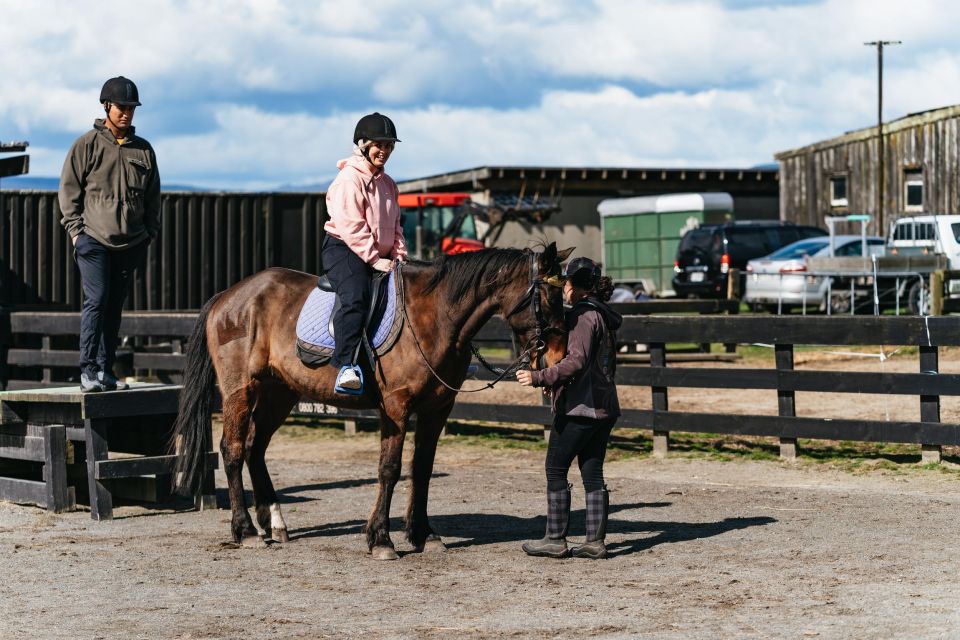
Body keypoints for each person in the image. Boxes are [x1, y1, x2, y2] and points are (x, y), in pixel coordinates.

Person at [59, 76, 160, 393]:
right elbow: (68, 191)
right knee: (97, 300)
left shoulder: (143, 150)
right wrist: (77, 233)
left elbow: (153, 197)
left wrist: (148, 233)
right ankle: (87, 370)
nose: (127, 113)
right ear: (107, 106)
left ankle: (104, 370)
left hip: (131, 242)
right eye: (121, 107)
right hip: (94, 240)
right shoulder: (86, 145)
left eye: (131, 108)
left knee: (114, 306)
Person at [517, 257, 622, 559]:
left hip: (580, 409)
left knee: (555, 468)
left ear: (574, 285)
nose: (563, 288)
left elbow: (576, 361)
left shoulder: (582, 316)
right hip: (604, 407)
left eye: (565, 282)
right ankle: (595, 542)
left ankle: (554, 538)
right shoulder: (601, 314)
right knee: (592, 471)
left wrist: (539, 377)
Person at [322, 112, 408, 394]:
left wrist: (399, 256)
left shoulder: (388, 184)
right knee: (357, 295)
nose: (384, 151)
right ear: (362, 144)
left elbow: (396, 225)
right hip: (345, 250)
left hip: (380, 255)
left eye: (389, 146)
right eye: (379, 144)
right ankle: (346, 366)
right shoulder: (349, 179)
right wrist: (374, 259)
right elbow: (352, 226)